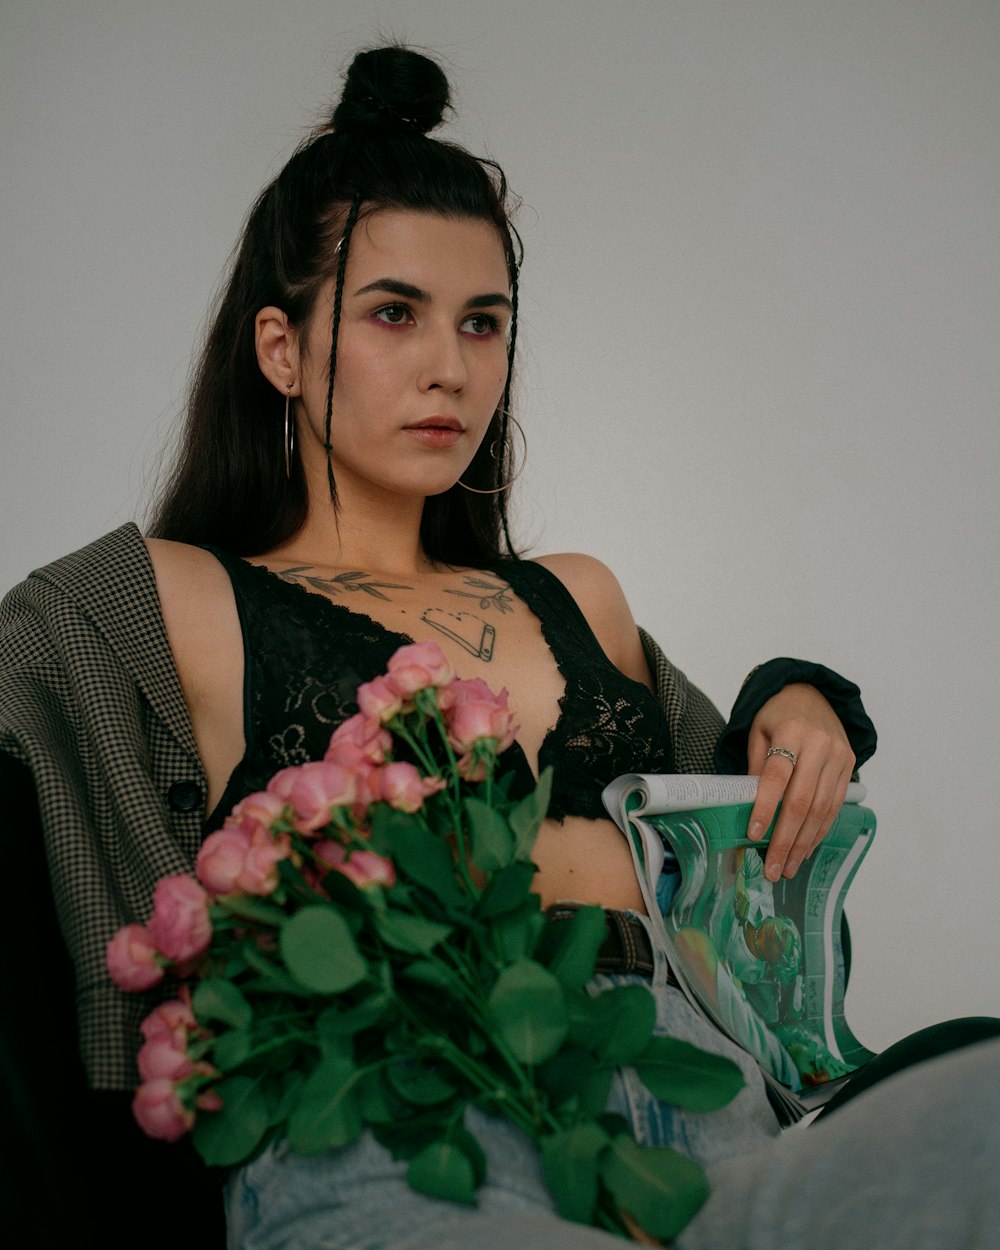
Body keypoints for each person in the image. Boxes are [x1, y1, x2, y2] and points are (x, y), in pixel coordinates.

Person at [1, 44, 996, 1250]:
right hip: (398, 1123)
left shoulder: (580, 595)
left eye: (484, 322)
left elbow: (724, 818)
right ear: (279, 348)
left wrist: (795, 700)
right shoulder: (176, 596)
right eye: (393, 313)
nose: (450, 367)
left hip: (694, 1117)